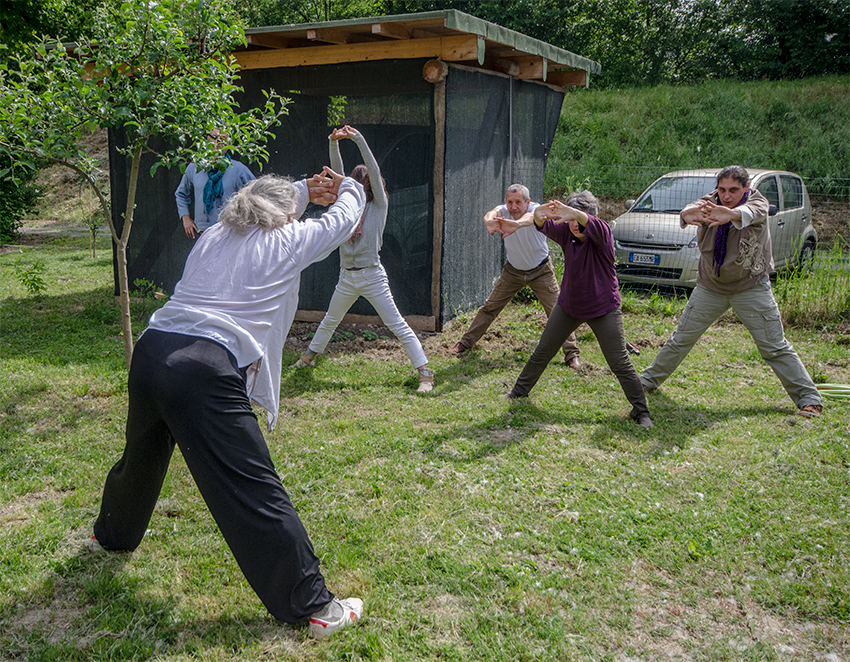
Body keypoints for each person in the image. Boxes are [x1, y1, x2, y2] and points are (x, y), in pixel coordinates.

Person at [90, 171, 366, 640]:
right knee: (251, 488)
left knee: (141, 457)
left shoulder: (215, 234)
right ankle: (315, 607)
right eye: (293, 209)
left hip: (153, 351)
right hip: (204, 369)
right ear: (287, 215)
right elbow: (342, 219)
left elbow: (261, 201)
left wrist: (300, 187)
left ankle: (111, 536)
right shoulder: (289, 241)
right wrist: (348, 188)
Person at [639, 165, 824, 418]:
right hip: (711, 287)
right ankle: (647, 382)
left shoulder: (757, 201)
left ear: (746, 188)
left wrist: (730, 214)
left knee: (774, 346)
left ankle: (809, 399)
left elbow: (750, 212)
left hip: (750, 286)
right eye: (722, 190)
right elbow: (690, 210)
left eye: (734, 190)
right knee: (681, 338)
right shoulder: (710, 203)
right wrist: (687, 214)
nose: (726, 196)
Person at [295, 125, 435, 393]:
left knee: (397, 324)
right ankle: (308, 358)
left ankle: (425, 373)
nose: (353, 187)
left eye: (360, 182)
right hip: (346, 276)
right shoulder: (346, 207)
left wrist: (357, 139)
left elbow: (372, 167)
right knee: (330, 321)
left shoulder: (378, 205)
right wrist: (333, 142)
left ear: (370, 183)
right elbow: (338, 176)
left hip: (372, 275)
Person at [503, 191, 653, 428]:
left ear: (592, 217)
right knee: (543, 350)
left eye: (578, 219)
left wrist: (576, 214)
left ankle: (641, 412)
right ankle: (519, 392)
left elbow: (591, 224)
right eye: (569, 219)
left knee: (619, 362)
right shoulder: (567, 232)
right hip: (569, 306)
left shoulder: (602, 234)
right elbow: (542, 224)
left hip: (604, 308)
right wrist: (540, 214)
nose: (574, 225)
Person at [449, 184, 581, 369]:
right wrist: (488, 221)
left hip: (541, 270)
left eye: (518, 202)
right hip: (513, 271)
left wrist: (516, 225)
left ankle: (572, 354)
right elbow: (490, 213)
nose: (513, 207)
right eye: (510, 202)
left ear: (527, 202)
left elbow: (529, 218)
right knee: (490, 308)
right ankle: (465, 344)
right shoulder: (503, 211)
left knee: (558, 312)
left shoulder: (536, 210)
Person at [175, 128, 256, 239]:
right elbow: (181, 194)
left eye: (222, 138)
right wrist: (185, 218)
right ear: (207, 140)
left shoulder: (238, 169)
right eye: (214, 137)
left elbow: (257, 194)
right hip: (202, 234)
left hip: (231, 234)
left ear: (228, 143)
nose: (218, 142)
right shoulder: (194, 168)